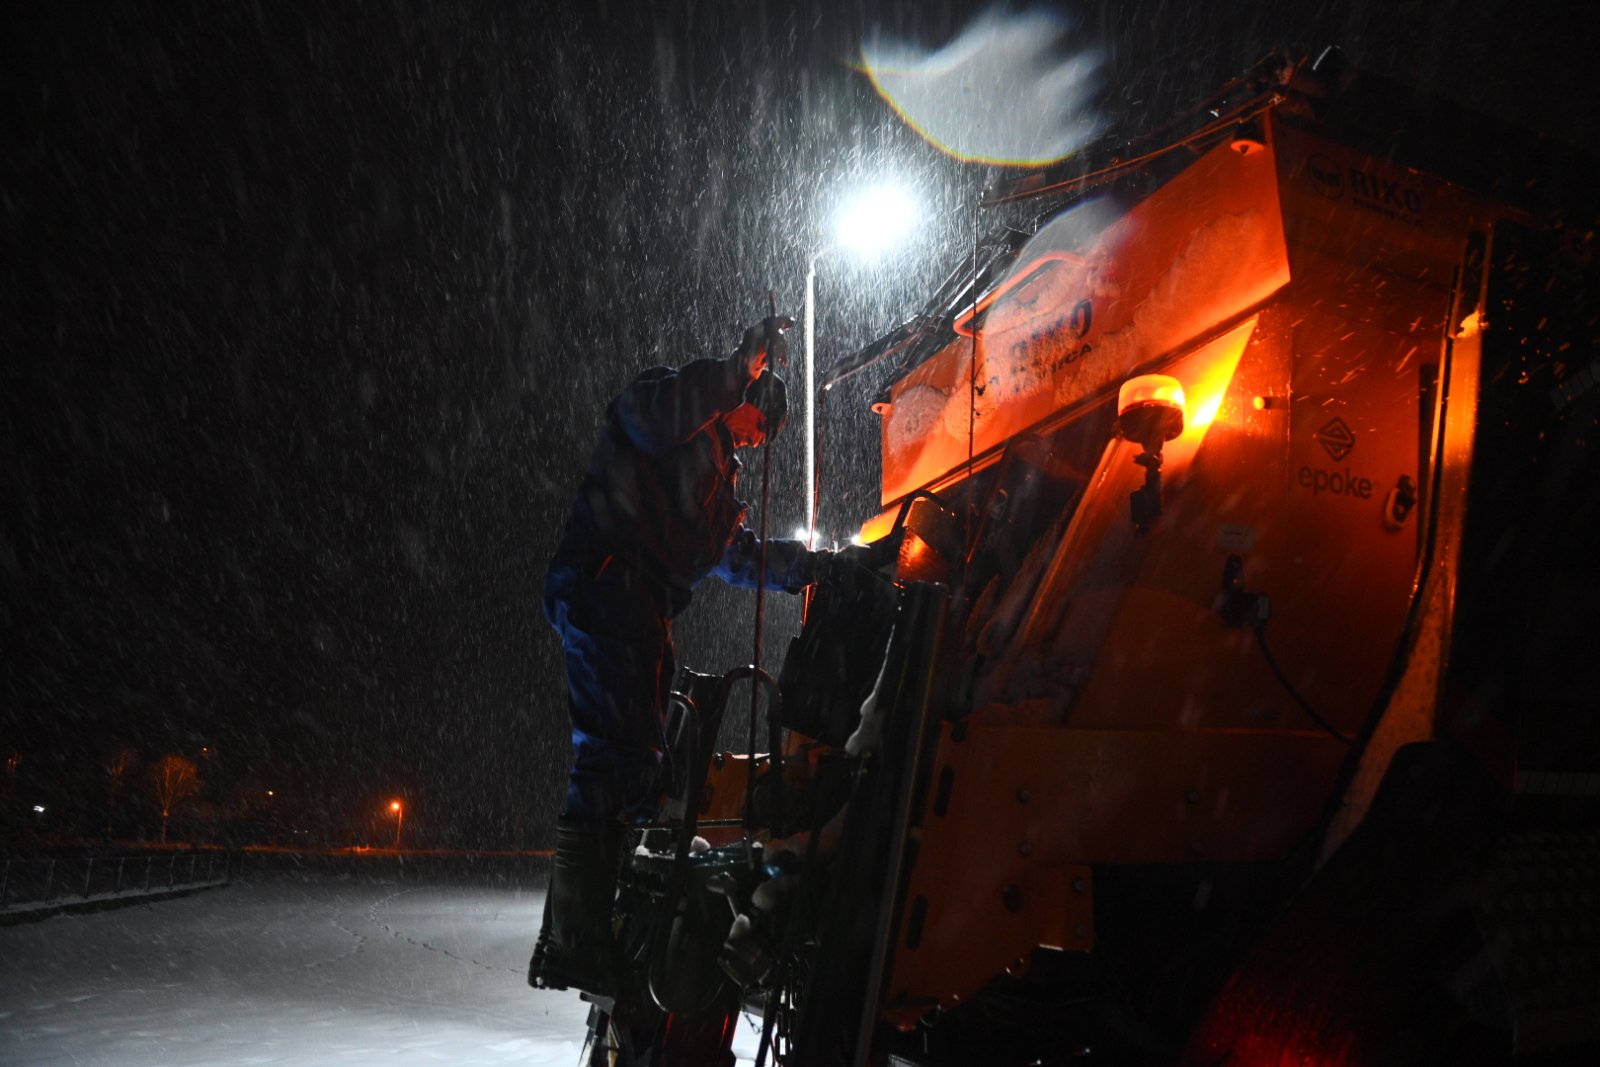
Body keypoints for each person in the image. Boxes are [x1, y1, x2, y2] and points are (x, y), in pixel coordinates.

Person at [530, 317, 829, 997]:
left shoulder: (717, 478)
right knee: (615, 754)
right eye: (762, 422)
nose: (759, 438)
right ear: (748, 397)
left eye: (765, 434)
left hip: (643, 610)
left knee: (645, 762)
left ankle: (606, 923)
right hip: (607, 584)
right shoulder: (674, 405)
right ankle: (575, 940)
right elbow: (654, 419)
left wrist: (816, 570)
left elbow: (737, 558)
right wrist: (736, 370)